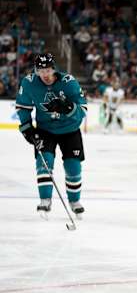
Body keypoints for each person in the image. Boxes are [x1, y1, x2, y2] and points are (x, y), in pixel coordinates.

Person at [15, 53, 87, 219]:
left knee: (73, 167)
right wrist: (27, 129)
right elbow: (23, 107)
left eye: (47, 70)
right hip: (45, 130)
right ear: (36, 71)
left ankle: (74, 201)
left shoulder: (69, 82)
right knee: (44, 162)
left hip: (70, 130)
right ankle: (45, 200)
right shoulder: (29, 83)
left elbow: (83, 110)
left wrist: (69, 108)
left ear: (54, 69)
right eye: (40, 71)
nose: (44, 74)